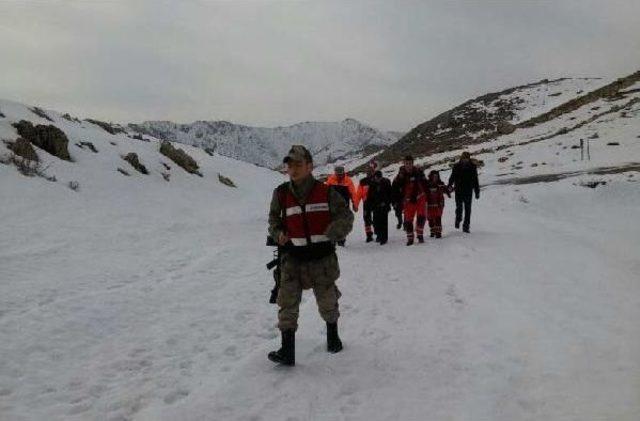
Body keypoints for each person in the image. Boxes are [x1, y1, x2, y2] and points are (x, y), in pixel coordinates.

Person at [267, 145, 354, 366]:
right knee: (286, 303)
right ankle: (287, 351)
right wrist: (278, 234)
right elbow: (273, 221)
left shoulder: (327, 192)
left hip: (321, 260)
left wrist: (333, 232)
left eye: (298, 164)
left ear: (309, 166)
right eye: (289, 165)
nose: (293, 169)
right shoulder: (280, 193)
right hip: (292, 260)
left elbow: (346, 217)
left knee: (327, 301)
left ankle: (333, 337)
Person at [394, 155, 428, 246]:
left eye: (410, 163)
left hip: (420, 198)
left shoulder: (418, 172)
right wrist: (396, 202)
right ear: (404, 164)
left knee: (421, 217)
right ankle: (410, 238)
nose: (408, 165)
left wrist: (427, 194)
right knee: (408, 220)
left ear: (413, 163)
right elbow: (395, 188)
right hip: (408, 201)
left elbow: (425, 184)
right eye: (406, 164)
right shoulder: (400, 175)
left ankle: (420, 235)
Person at [325, 166, 358, 246]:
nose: (339, 176)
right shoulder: (330, 180)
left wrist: (355, 204)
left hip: (344, 206)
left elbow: (353, 193)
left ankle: (341, 240)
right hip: (332, 206)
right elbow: (325, 192)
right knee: (332, 222)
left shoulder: (348, 181)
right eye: (338, 174)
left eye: (341, 174)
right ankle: (332, 239)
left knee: (343, 223)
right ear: (335, 173)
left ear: (343, 173)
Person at [447, 151, 480, 233]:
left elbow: (475, 180)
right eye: (464, 158)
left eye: (467, 159)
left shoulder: (473, 167)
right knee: (459, 207)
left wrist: (477, 191)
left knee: (468, 209)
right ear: (461, 158)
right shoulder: (456, 166)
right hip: (458, 190)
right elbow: (452, 177)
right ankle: (458, 219)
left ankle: (466, 226)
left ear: (469, 159)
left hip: (468, 190)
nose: (465, 160)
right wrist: (449, 185)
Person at [367, 170, 392, 245]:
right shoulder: (372, 184)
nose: (378, 179)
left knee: (384, 223)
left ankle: (384, 238)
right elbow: (369, 196)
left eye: (379, 177)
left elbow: (390, 194)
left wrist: (388, 203)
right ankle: (378, 235)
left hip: (384, 206)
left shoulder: (386, 183)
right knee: (376, 223)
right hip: (375, 207)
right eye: (376, 178)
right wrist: (370, 205)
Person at [355, 160, 378, 242]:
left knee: (376, 218)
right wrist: (356, 205)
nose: (369, 173)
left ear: (373, 171)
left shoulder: (377, 180)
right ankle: (369, 235)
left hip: (376, 202)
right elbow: (358, 195)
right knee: (366, 219)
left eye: (371, 171)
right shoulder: (363, 181)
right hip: (366, 203)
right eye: (368, 171)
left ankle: (378, 233)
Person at [425, 170, 450, 238]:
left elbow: (446, 189)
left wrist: (448, 192)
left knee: (438, 217)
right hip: (430, 204)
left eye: (436, 176)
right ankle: (432, 230)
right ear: (431, 176)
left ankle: (438, 232)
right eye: (434, 176)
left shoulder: (440, 184)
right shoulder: (427, 184)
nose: (435, 178)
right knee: (430, 218)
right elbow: (424, 191)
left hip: (439, 204)